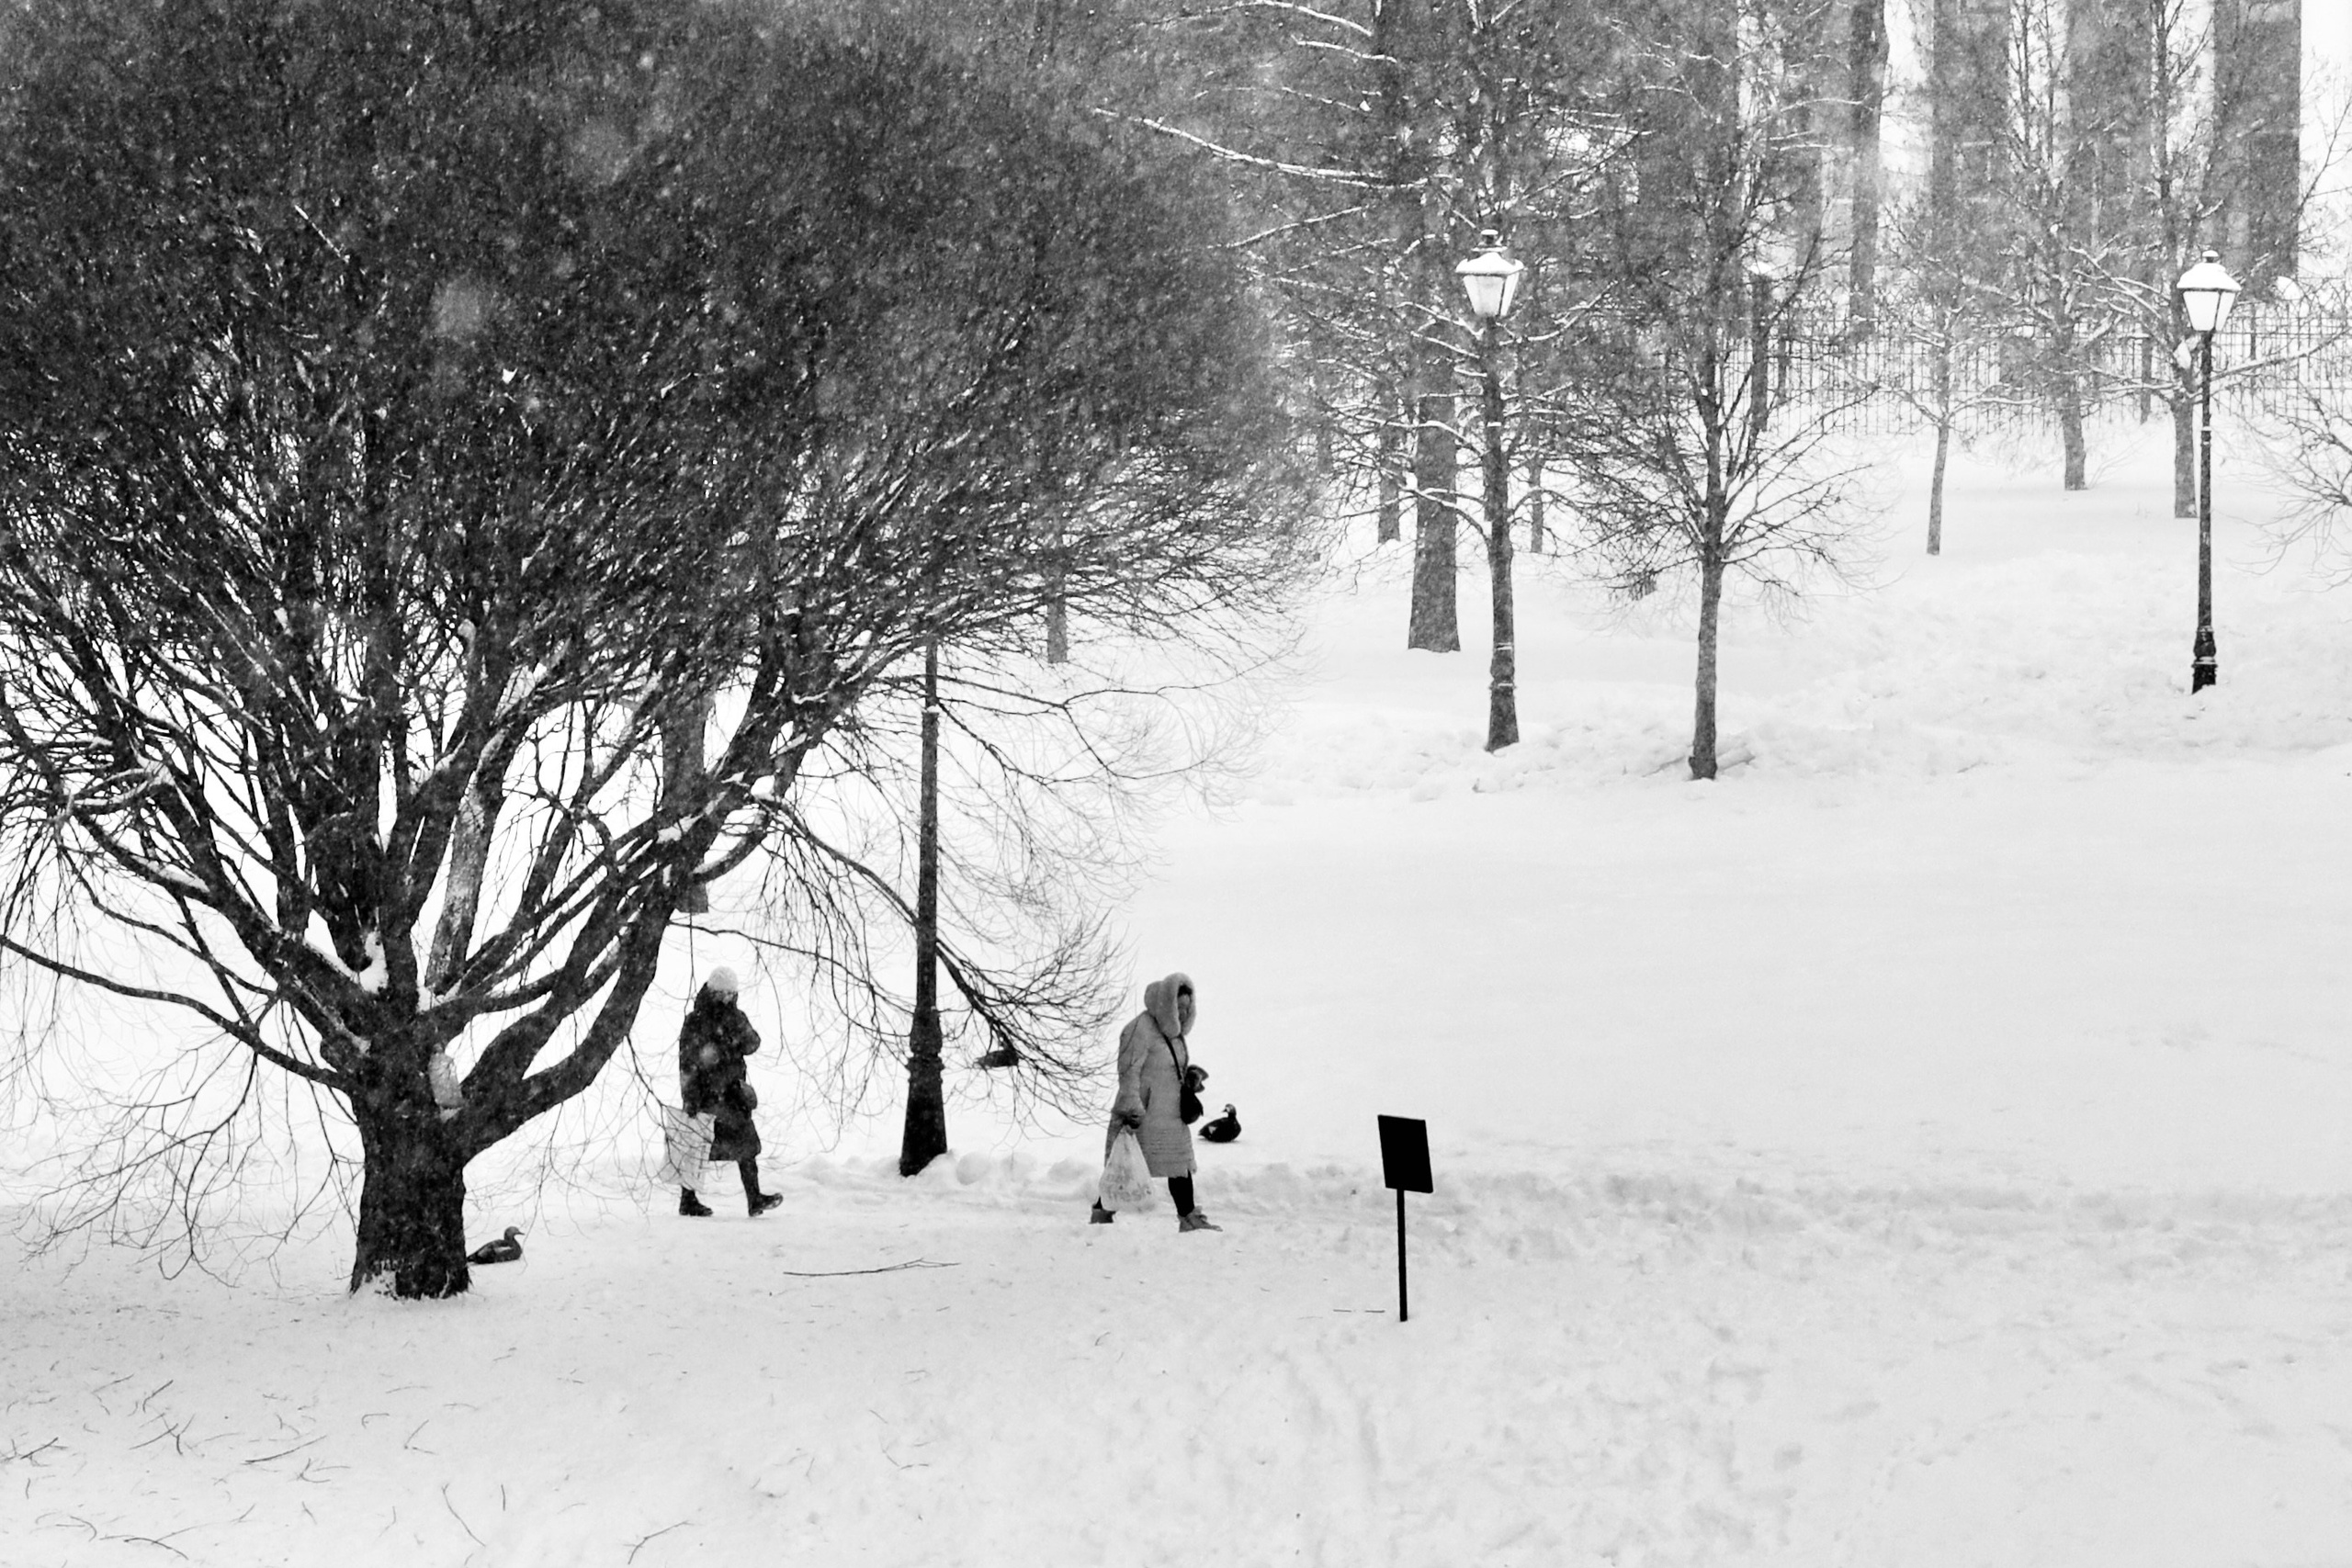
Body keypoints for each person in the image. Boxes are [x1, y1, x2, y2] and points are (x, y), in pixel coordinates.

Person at [1092, 971, 1219, 1233]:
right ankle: (1101, 1212)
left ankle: (1188, 1217)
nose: (1183, 1014)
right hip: (1144, 1115)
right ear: (1166, 1005)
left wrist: (1190, 1076)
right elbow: (1128, 1072)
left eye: (1187, 1008)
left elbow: (1169, 1067)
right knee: (1127, 1167)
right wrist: (1131, 1107)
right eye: (1178, 1007)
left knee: (1180, 1164)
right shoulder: (1139, 1029)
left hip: (1170, 1115)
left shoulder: (1172, 1033)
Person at [676, 967, 783, 1218]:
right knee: (696, 1146)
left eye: (730, 994)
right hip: (706, 1095)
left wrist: (736, 1024)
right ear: (712, 992)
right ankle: (688, 1201)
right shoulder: (696, 1020)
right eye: (722, 994)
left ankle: (754, 1199)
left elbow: (753, 1044)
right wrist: (690, 1096)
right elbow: (687, 1060)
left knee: (743, 1145)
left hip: (731, 1094)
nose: (726, 999)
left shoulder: (734, 1018)